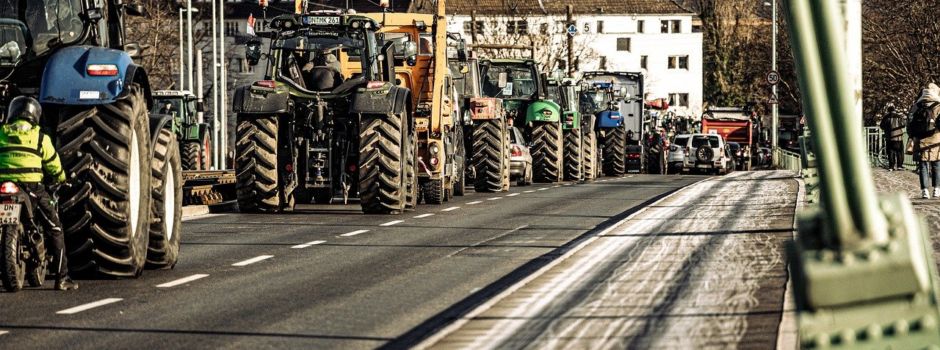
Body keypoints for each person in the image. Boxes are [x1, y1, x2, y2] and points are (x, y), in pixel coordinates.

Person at [0, 96, 76, 290]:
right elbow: (53, 165)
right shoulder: (40, 137)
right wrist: (61, 178)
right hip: (31, 188)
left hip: (3, 185)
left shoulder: (1, 132)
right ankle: (62, 278)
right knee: (55, 228)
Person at [909, 84, 940, 199]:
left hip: (920, 140)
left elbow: (909, 123)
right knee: (936, 165)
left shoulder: (916, 106)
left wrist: (912, 136)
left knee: (923, 166)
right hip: (936, 139)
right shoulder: (938, 106)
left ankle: (925, 191)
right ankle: (936, 189)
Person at [880, 102, 906, 170]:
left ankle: (891, 166)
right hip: (898, 137)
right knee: (899, 152)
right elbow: (903, 125)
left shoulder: (886, 117)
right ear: (894, 110)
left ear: (888, 111)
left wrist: (887, 129)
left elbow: (881, 126)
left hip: (889, 137)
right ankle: (899, 166)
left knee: (890, 152)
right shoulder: (899, 116)